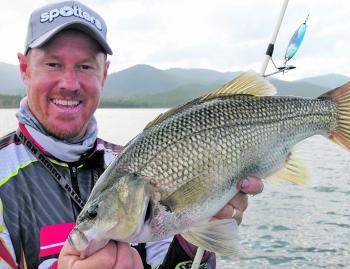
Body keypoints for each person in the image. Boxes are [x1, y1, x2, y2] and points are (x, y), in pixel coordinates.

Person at [0, 1, 264, 269]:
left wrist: (195, 239)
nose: (69, 83)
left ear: (104, 74)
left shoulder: (133, 162)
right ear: (24, 69)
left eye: (86, 66)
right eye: (53, 64)